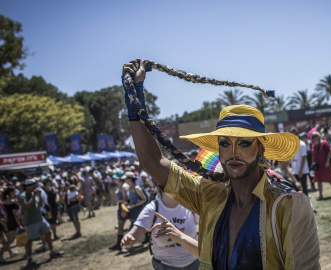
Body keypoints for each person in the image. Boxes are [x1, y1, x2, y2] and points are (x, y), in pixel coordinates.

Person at [122, 58, 320, 269]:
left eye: (244, 143)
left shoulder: (287, 207)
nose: (233, 153)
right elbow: (153, 162)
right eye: (225, 143)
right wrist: (135, 98)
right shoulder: (210, 197)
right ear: (218, 149)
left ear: (261, 149)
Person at [121, 192, 200, 269]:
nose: (170, 184)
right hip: (165, 265)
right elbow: (134, 234)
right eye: (166, 181)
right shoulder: (152, 209)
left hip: (194, 263)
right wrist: (129, 238)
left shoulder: (190, 205)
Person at [18, 179, 63, 267]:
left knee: (48, 233)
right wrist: (34, 196)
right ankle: (29, 258)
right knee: (30, 240)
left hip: (40, 219)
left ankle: (52, 251)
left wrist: (39, 196)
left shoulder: (34, 194)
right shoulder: (23, 196)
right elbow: (28, 206)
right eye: (32, 185)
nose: (34, 186)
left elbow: (41, 204)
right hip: (31, 221)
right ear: (27, 186)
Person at [311, 131, 331, 200]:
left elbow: (329, 152)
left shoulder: (324, 143)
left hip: (325, 165)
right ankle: (321, 195)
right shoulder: (313, 146)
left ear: (318, 136)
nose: (315, 138)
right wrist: (313, 164)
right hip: (318, 166)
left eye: (316, 136)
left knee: (328, 179)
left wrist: (327, 161)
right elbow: (313, 156)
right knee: (319, 180)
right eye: (313, 137)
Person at [289, 128, 310, 196]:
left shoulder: (302, 144)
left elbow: (304, 158)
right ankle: (299, 202)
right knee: (295, 188)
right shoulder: (291, 144)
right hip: (295, 170)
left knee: (304, 187)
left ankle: (307, 202)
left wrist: (300, 170)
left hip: (302, 170)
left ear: (297, 134)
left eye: (295, 133)